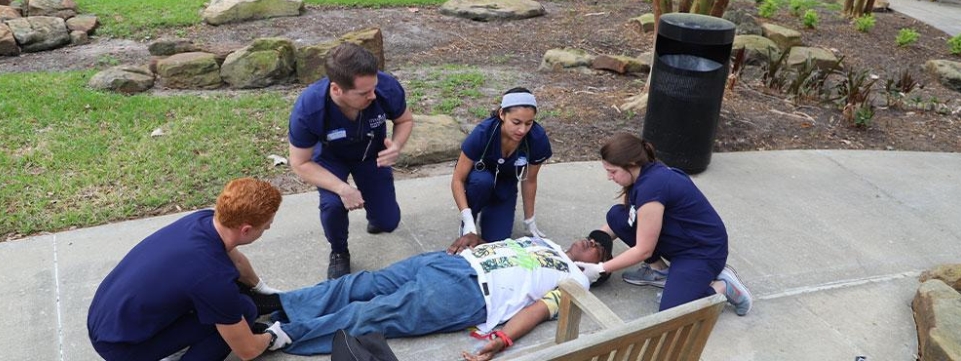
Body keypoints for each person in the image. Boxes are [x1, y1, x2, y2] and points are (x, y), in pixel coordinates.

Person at [254, 232, 613, 359]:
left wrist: (501, 340)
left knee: (376, 313)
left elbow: (537, 309)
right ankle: (281, 304)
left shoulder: (574, 281)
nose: (590, 241)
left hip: (468, 294)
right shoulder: (544, 241)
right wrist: (474, 240)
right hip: (451, 263)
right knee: (362, 283)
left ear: (599, 267)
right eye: (592, 237)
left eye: (598, 248)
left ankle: (284, 335)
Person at [87, 178, 286, 361]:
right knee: (244, 309)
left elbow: (237, 263)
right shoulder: (213, 275)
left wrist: (261, 287)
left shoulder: (205, 220)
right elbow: (248, 350)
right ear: (246, 230)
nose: (267, 228)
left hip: (106, 320)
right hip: (122, 348)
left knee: (235, 300)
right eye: (266, 226)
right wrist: (271, 336)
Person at [575, 132, 753, 316]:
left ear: (632, 165)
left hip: (702, 251)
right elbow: (622, 222)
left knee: (671, 314)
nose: (609, 177)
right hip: (682, 238)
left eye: (612, 171)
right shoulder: (645, 173)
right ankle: (659, 271)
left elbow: (644, 250)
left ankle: (724, 286)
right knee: (616, 215)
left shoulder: (652, 188)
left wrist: (600, 268)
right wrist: (593, 240)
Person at [288, 43, 414, 279]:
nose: (373, 95)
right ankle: (339, 251)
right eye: (363, 93)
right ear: (337, 90)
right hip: (330, 159)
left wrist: (396, 145)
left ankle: (376, 216)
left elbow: (404, 120)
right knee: (333, 205)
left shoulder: (385, 88)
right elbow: (299, 163)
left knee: (388, 222)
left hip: (370, 155)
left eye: (373, 88)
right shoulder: (310, 108)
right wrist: (343, 189)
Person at [447, 88, 552, 255]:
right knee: (482, 181)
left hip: (505, 185)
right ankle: (469, 221)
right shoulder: (483, 133)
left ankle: (495, 211)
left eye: (529, 123)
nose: (522, 130)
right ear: (502, 114)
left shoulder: (537, 139)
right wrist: (466, 217)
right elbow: (457, 180)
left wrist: (529, 219)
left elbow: (529, 180)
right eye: (516, 122)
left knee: (496, 243)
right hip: (479, 180)